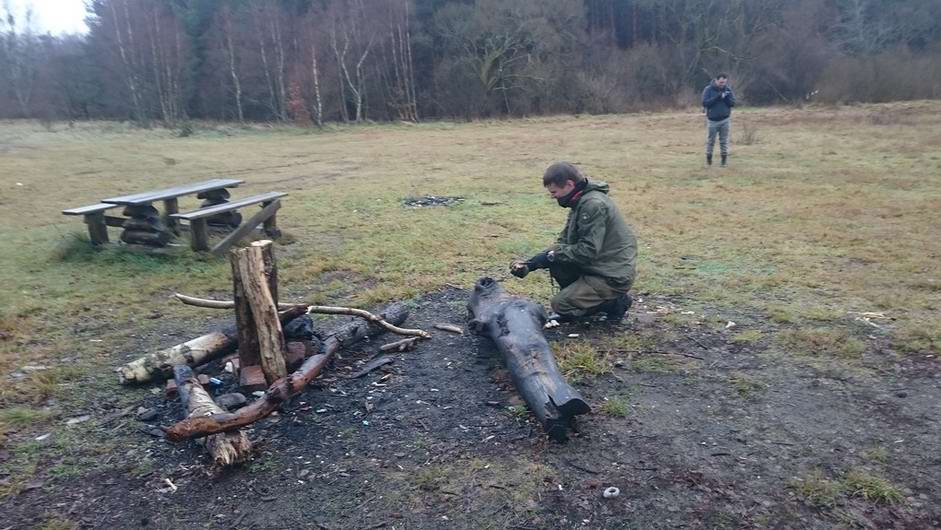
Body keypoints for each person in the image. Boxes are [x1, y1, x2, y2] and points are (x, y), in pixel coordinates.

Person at [510, 162, 637, 322]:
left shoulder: (592, 205)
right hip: (599, 265)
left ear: (569, 184)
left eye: (554, 191)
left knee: (561, 305)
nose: (552, 196)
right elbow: (563, 242)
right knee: (556, 261)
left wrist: (552, 255)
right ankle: (585, 297)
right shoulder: (580, 201)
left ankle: (614, 303)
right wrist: (532, 263)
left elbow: (588, 251)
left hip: (612, 275)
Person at [702, 73, 735, 167]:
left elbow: (733, 103)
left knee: (724, 141)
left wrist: (726, 98)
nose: (722, 84)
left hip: (725, 120)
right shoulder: (708, 89)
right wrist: (717, 97)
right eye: (720, 82)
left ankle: (723, 162)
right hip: (712, 120)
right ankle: (709, 161)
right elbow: (705, 103)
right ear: (716, 80)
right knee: (710, 141)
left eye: (724, 82)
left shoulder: (728, 90)